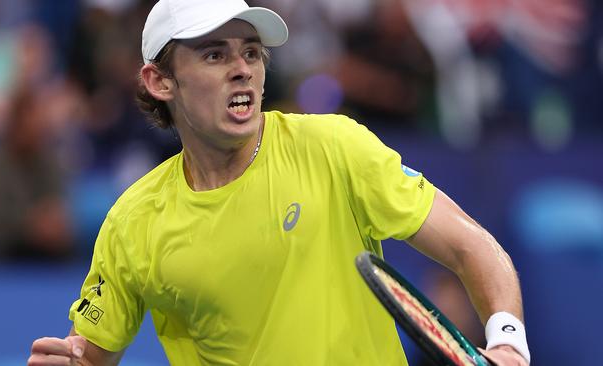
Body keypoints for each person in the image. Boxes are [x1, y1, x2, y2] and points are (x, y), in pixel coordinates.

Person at [28, 0, 530, 365]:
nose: (242, 70)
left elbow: (472, 247)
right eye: (214, 55)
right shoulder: (132, 222)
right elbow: (89, 356)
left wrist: (507, 341)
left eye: (251, 53)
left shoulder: (336, 148)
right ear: (161, 82)